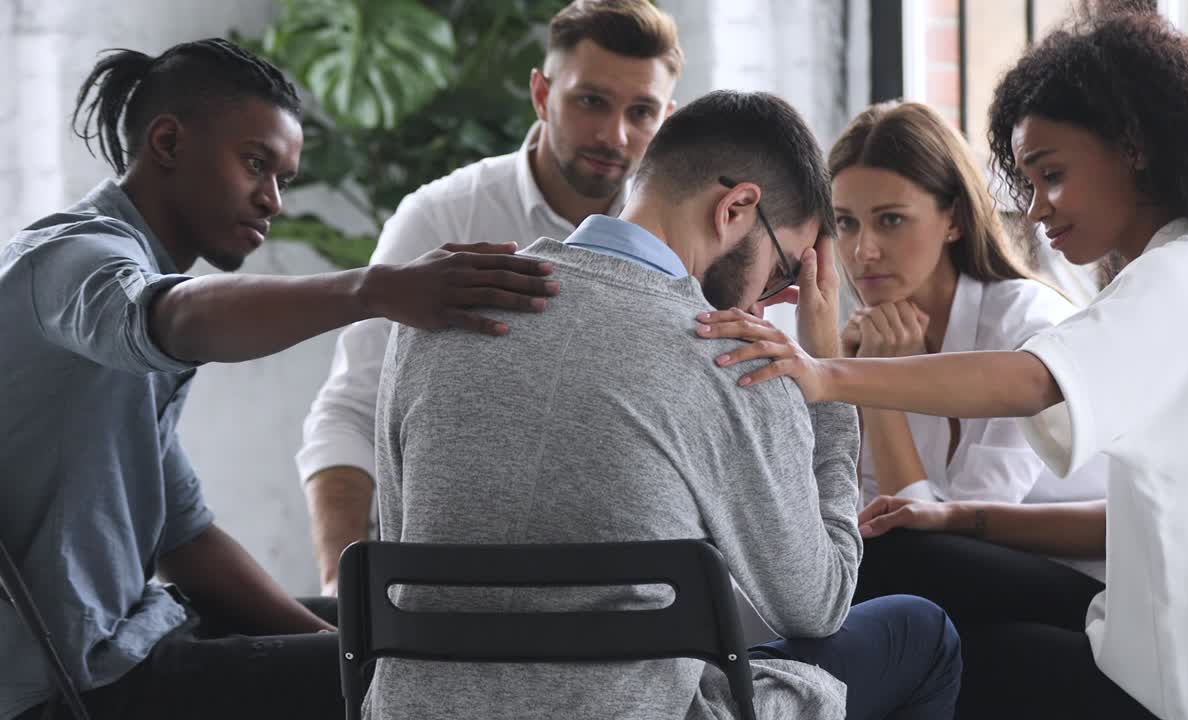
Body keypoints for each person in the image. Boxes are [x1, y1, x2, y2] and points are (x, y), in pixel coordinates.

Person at [697, 9, 1188, 720]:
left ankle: (728, 704)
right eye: (1027, 183)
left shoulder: (1177, 278)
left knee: (913, 626)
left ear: (1135, 148)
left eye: (1053, 175)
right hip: (1186, 652)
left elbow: (1028, 380)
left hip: (1176, 688)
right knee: (907, 572)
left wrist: (826, 373)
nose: (1035, 211)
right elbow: (1134, 517)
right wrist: (959, 519)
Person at [0, 39, 557, 720]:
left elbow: (185, 540)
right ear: (168, 142)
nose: (273, 201)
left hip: (142, 635)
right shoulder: (72, 260)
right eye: (256, 165)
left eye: (283, 178)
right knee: (443, 678)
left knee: (412, 634)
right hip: (73, 685)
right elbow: (171, 319)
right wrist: (374, 289)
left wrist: (351, 655)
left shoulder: (131, 300)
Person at [373, 90, 961, 720]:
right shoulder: (731, 358)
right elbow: (817, 603)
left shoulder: (441, 308)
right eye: (780, 269)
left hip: (417, 709)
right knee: (921, 633)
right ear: (736, 208)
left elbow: (396, 540)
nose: (767, 303)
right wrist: (828, 388)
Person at [296, 0, 683, 596]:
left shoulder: (682, 238)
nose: (615, 135)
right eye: (591, 101)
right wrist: (338, 591)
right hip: (444, 574)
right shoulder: (442, 216)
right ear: (541, 93)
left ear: (667, 118)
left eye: (642, 112)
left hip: (626, 582)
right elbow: (353, 408)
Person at [829, 100, 1106, 516]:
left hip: (1076, 576)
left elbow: (945, 551)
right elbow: (849, 522)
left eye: (890, 220)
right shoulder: (874, 337)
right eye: (846, 223)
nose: (862, 251)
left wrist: (874, 386)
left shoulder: (1029, 330)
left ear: (954, 218)